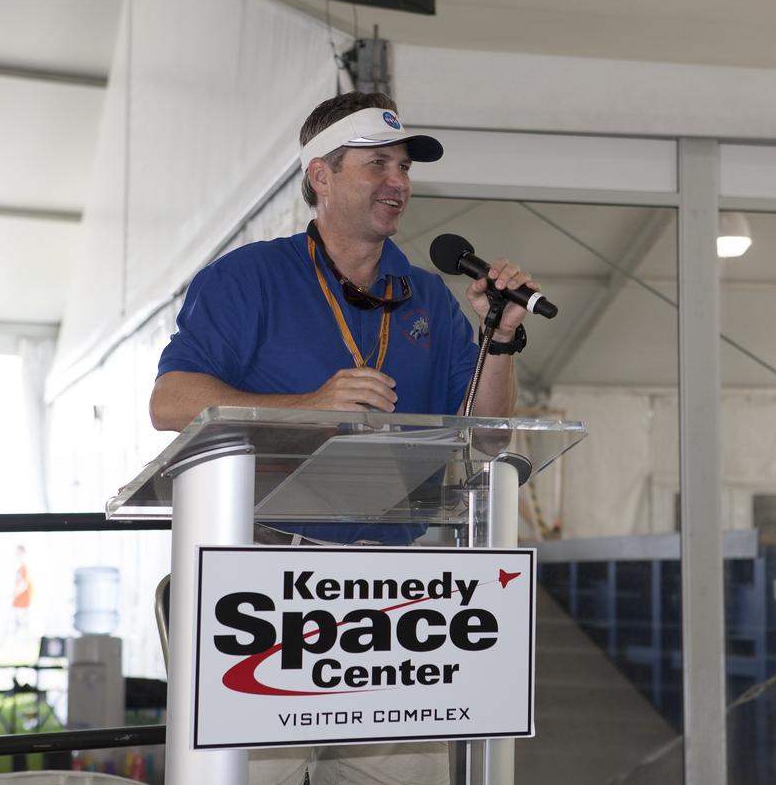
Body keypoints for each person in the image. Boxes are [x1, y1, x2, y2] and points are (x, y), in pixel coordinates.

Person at [149, 92, 539, 785]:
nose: (399, 182)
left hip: (397, 600)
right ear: (321, 177)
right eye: (378, 164)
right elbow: (169, 400)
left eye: (405, 167)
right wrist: (306, 406)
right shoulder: (248, 279)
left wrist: (500, 341)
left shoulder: (426, 296)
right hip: (271, 590)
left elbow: (486, 438)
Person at [11, 544, 32, 633]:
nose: (16, 554)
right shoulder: (20, 568)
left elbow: (24, 585)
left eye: (18, 552)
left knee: (23, 623)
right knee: (17, 623)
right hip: (19, 600)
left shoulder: (25, 567)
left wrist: (13, 593)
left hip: (24, 600)